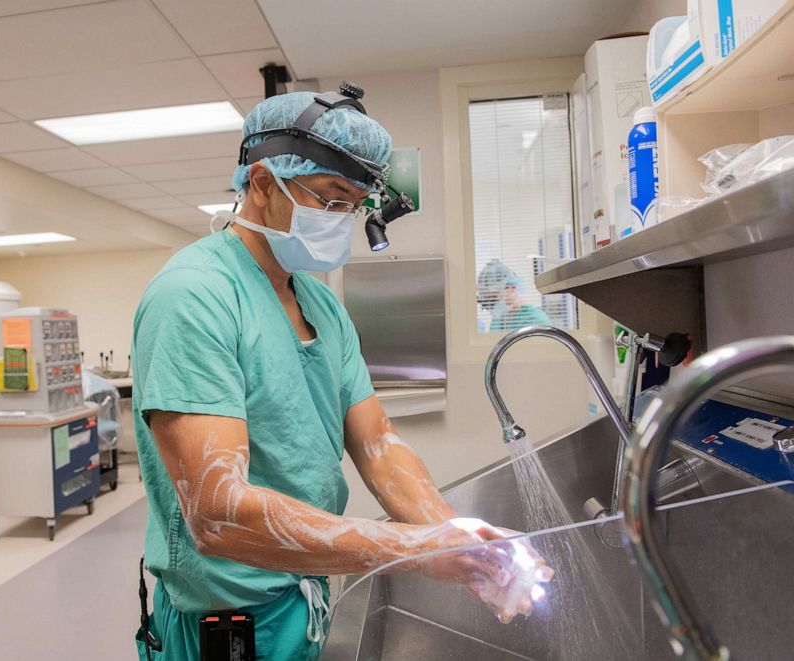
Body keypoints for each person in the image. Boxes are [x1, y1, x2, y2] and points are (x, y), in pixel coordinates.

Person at [132, 88, 551, 661]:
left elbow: (378, 445)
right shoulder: (194, 297)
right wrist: (412, 549)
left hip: (301, 590)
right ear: (260, 183)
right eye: (329, 198)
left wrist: (463, 541)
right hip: (226, 625)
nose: (342, 221)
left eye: (353, 205)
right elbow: (218, 511)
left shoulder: (320, 304)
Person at [477, 259, 551, 332]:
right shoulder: (497, 321)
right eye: (487, 300)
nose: (491, 306)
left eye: (493, 298)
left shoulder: (535, 319)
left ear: (512, 288)